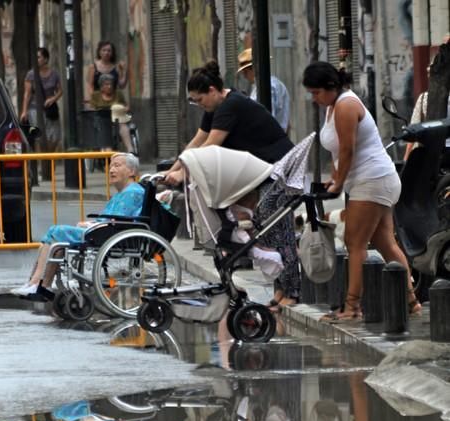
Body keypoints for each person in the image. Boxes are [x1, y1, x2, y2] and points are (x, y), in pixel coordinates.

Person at [165, 60, 300, 306]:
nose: (198, 105)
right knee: (266, 227)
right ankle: (280, 290)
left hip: (281, 167)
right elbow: (195, 144)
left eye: (200, 99)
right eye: (194, 101)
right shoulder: (214, 109)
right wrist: (171, 171)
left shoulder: (231, 106)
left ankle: (292, 292)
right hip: (264, 171)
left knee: (279, 227)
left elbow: (209, 147)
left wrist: (184, 175)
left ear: (214, 91)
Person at [302, 61, 421, 321]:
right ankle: (411, 302)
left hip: (372, 179)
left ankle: (352, 307)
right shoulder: (334, 105)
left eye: (316, 92)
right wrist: (334, 180)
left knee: (354, 242)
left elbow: (347, 150)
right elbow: (337, 154)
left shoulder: (345, 105)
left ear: (331, 86)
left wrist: (338, 184)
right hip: (369, 180)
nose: (314, 98)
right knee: (384, 242)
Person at [11, 152, 144, 297]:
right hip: (106, 232)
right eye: (110, 166)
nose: (111, 170)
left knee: (56, 231)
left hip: (110, 235)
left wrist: (91, 225)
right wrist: (92, 223)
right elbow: (113, 219)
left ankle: (38, 284)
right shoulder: (124, 193)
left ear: (132, 171)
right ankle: (37, 284)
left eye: (117, 166)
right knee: (53, 240)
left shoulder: (132, 192)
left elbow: (118, 220)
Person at [237, 47, 290, 132]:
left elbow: (267, 115)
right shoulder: (262, 86)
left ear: (254, 69)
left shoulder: (269, 86)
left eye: (246, 72)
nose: (245, 76)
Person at [20, 47, 62, 152]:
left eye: (38, 57)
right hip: (35, 110)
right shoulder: (31, 74)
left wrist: (53, 99)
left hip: (50, 110)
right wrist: (24, 111)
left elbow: (60, 91)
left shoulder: (54, 74)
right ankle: (41, 165)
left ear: (46, 59)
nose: (36, 59)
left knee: (54, 137)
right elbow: (27, 94)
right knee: (39, 137)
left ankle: (49, 162)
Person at [89, 73, 134, 153]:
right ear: (101, 86)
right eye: (106, 84)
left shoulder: (118, 94)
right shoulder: (95, 95)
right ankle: (105, 150)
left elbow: (127, 107)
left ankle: (130, 149)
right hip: (101, 121)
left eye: (111, 84)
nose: (109, 86)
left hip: (116, 121)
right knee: (101, 128)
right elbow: (92, 109)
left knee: (122, 126)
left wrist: (122, 109)